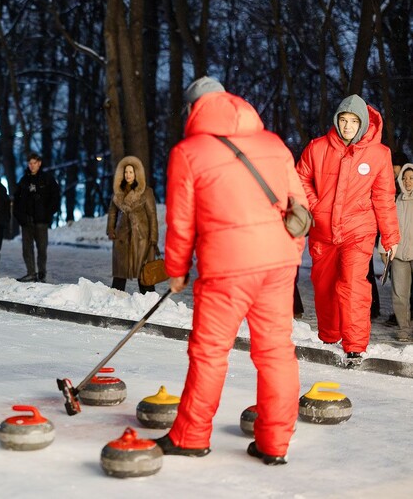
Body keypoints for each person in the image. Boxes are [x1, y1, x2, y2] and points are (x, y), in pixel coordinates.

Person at [157, 76, 306, 466]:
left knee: (209, 352)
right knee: (276, 352)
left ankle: (191, 436)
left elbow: (181, 222)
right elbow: (300, 207)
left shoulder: (189, 152)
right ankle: (274, 444)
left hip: (227, 268)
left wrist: (176, 269)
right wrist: (288, 253)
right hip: (278, 264)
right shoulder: (273, 144)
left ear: (193, 110)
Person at [296, 94, 399, 366]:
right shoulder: (317, 148)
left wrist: (390, 237)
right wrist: (316, 206)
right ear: (337, 121)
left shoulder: (380, 155)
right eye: (344, 120)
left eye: (354, 121)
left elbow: (384, 198)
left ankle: (355, 345)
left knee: (353, 286)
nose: (348, 126)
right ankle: (329, 336)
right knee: (324, 286)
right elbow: (299, 178)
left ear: (363, 124)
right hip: (323, 231)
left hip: (359, 230)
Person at [106, 155, 157, 294]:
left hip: (142, 237)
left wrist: (153, 237)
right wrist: (110, 229)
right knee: (120, 273)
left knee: (144, 273)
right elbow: (112, 213)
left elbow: (152, 215)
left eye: (131, 172)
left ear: (136, 174)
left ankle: (149, 301)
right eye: (125, 172)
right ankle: (115, 300)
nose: (128, 175)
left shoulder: (146, 192)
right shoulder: (118, 192)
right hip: (122, 237)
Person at [13, 152, 61, 282]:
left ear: (39, 163)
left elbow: (55, 198)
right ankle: (31, 272)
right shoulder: (24, 180)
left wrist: (47, 213)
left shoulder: (47, 179)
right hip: (26, 221)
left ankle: (41, 273)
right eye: (30, 163)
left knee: (41, 249)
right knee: (27, 249)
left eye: (34, 163)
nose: (32, 166)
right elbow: (16, 200)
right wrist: (20, 217)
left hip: (41, 221)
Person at [385, 163, 413, 341]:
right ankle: (404, 329)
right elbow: (387, 224)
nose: (408, 181)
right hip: (400, 255)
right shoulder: (396, 201)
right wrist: (383, 247)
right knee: (399, 294)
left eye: (411, 178)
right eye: (405, 178)